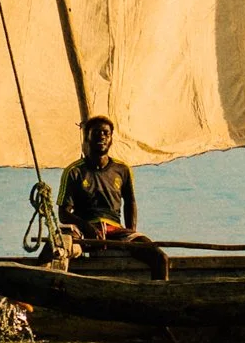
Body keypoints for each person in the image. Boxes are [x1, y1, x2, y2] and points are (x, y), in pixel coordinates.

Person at [57, 116, 168, 279]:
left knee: (160, 258)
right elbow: (63, 214)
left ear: (111, 139)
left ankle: (159, 298)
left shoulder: (122, 169)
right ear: (87, 137)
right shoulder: (74, 171)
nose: (101, 136)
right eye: (96, 133)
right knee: (58, 247)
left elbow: (130, 202)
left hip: (115, 230)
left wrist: (131, 233)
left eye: (105, 133)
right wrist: (87, 227)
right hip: (83, 230)